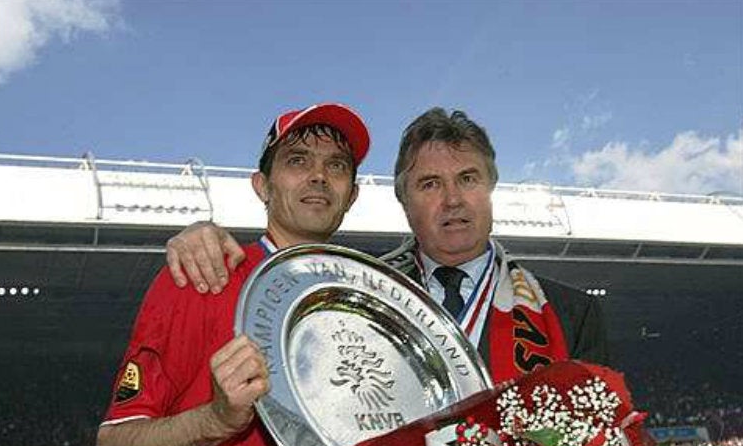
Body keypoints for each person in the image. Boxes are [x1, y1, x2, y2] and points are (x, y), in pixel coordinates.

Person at [164, 107, 608, 383]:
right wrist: (199, 230)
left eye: (468, 179)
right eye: (430, 183)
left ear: (491, 187)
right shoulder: (358, 294)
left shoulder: (572, 314)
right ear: (403, 200)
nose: (452, 199)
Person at [96, 102, 369, 446]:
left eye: (336, 165)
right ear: (262, 185)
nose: (319, 175)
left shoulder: (370, 301)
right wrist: (218, 418)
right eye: (298, 161)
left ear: (351, 194)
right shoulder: (200, 278)